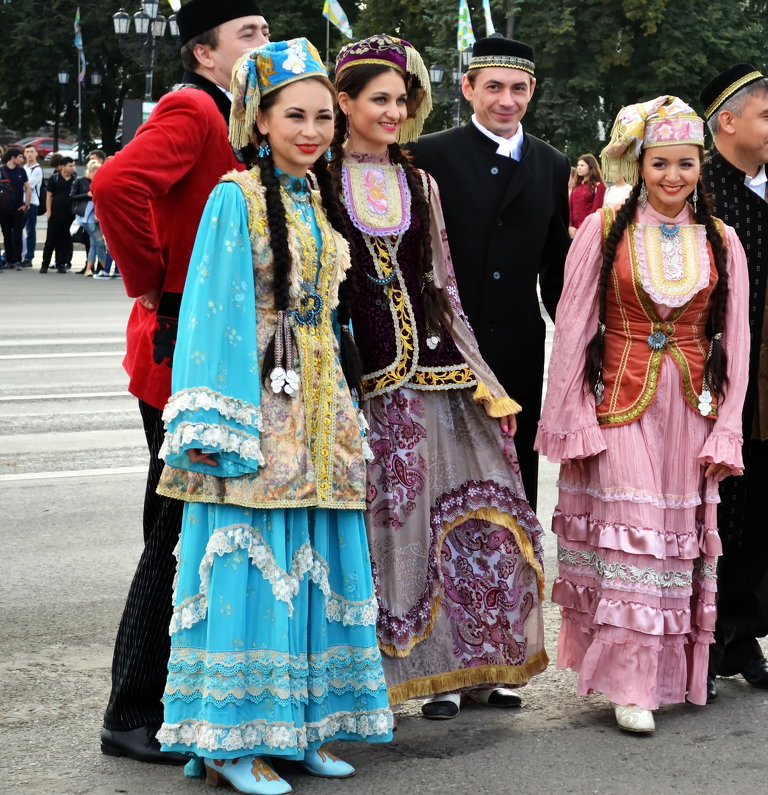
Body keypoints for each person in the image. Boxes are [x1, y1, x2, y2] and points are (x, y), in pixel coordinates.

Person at [154, 39, 392, 793]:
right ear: (259, 119)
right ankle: (231, 739)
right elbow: (214, 312)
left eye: (324, 116)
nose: (313, 130)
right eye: (296, 115)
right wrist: (223, 425)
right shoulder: (235, 196)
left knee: (314, 561)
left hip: (320, 409)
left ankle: (301, 726)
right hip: (261, 406)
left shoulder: (310, 197)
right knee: (254, 560)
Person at [328, 33, 546, 722]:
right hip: (370, 380)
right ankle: (413, 672)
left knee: (477, 512)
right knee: (395, 525)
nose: (393, 112)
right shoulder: (320, 179)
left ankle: (480, 659)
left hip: (441, 371)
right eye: (379, 100)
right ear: (345, 102)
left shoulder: (418, 180)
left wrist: (485, 377)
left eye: (401, 100)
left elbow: (441, 284)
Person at [91, 0, 270, 767]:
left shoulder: (239, 119)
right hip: (179, 350)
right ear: (204, 53)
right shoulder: (196, 108)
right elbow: (116, 185)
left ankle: (162, 696)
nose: (263, 43)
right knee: (173, 534)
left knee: (172, 528)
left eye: (267, 31)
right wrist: (154, 282)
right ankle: (131, 713)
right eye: (248, 35)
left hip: (205, 351)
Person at [535, 96, 750, 733]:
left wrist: (730, 422)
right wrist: (569, 411)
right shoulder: (604, 230)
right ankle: (630, 683)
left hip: (689, 406)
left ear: (700, 165)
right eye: (661, 163)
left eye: (686, 164)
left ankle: (661, 675)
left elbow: (733, 338)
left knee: (671, 547)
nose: (673, 177)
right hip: (619, 400)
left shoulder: (721, 239)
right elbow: (573, 326)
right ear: (640, 162)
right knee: (634, 531)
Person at [407, 36, 571, 509]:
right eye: (494, 87)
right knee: (444, 481)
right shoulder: (428, 155)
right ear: (468, 88)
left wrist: (580, 342)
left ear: (532, 90)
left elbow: (555, 264)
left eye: (518, 88)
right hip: (444, 347)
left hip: (517, 350)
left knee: (514, 479)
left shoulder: (551, 163)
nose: (506, 100)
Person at [699, 64, 768, 700]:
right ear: (729, 122)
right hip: (716, 384)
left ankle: (743, 637)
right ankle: (703, 639)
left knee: (766, 511)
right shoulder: (700, 187)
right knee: (718, 513)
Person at [39, 155, 75, 273]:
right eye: (70, 166)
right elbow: (49, 195)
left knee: (64, 241)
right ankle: (45, 264)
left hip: (69, 215)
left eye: (73, 165)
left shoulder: (74, 180)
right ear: (62, 167)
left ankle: (61, 263)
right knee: (50, 240)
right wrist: (49, 212)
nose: (72, 168)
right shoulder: (54, 179)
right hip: (55, 214)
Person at [69, 159, 104, 276]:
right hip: (86, 217)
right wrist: (87, 195)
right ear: (90, 171)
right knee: (99, 242)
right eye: (96, 173)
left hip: (95, 216)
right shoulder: (80, 181)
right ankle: (104, 267)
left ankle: (89, 268)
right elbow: (72, 196)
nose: (98, 176)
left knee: (94, 243)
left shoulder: (98, 182)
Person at [1, 147, 31, 270]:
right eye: (20, 157)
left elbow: (28, 188)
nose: (22, 159)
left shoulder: (21, 171)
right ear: (13, 157)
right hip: (3, 209)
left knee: (17, 235)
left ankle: (18, 260)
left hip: (18, 208)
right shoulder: (1, 170)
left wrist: (26, 204)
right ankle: (9, 260)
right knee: (6, 235)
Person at [569, 153, 606, 236]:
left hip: (589, 230)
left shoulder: (598, 186)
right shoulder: (575, 186)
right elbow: (570, 208)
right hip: (573, 231)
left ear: (590, 167)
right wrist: (570, 226)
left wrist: (584, 228)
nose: (579, 168)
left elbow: (596, 210)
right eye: (578, 165)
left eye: (582, 165)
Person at [21, 145, 42, 267]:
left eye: (32, 152)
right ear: (24, 154)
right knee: (17, 230)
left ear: (36, 154)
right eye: (27, 152)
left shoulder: (37, 169)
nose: (29, 154)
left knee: (30, 230)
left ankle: (29, 256)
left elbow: (28, 185)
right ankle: (19, 253)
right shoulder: (24, 168)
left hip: (32, 203)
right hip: (21, 202)